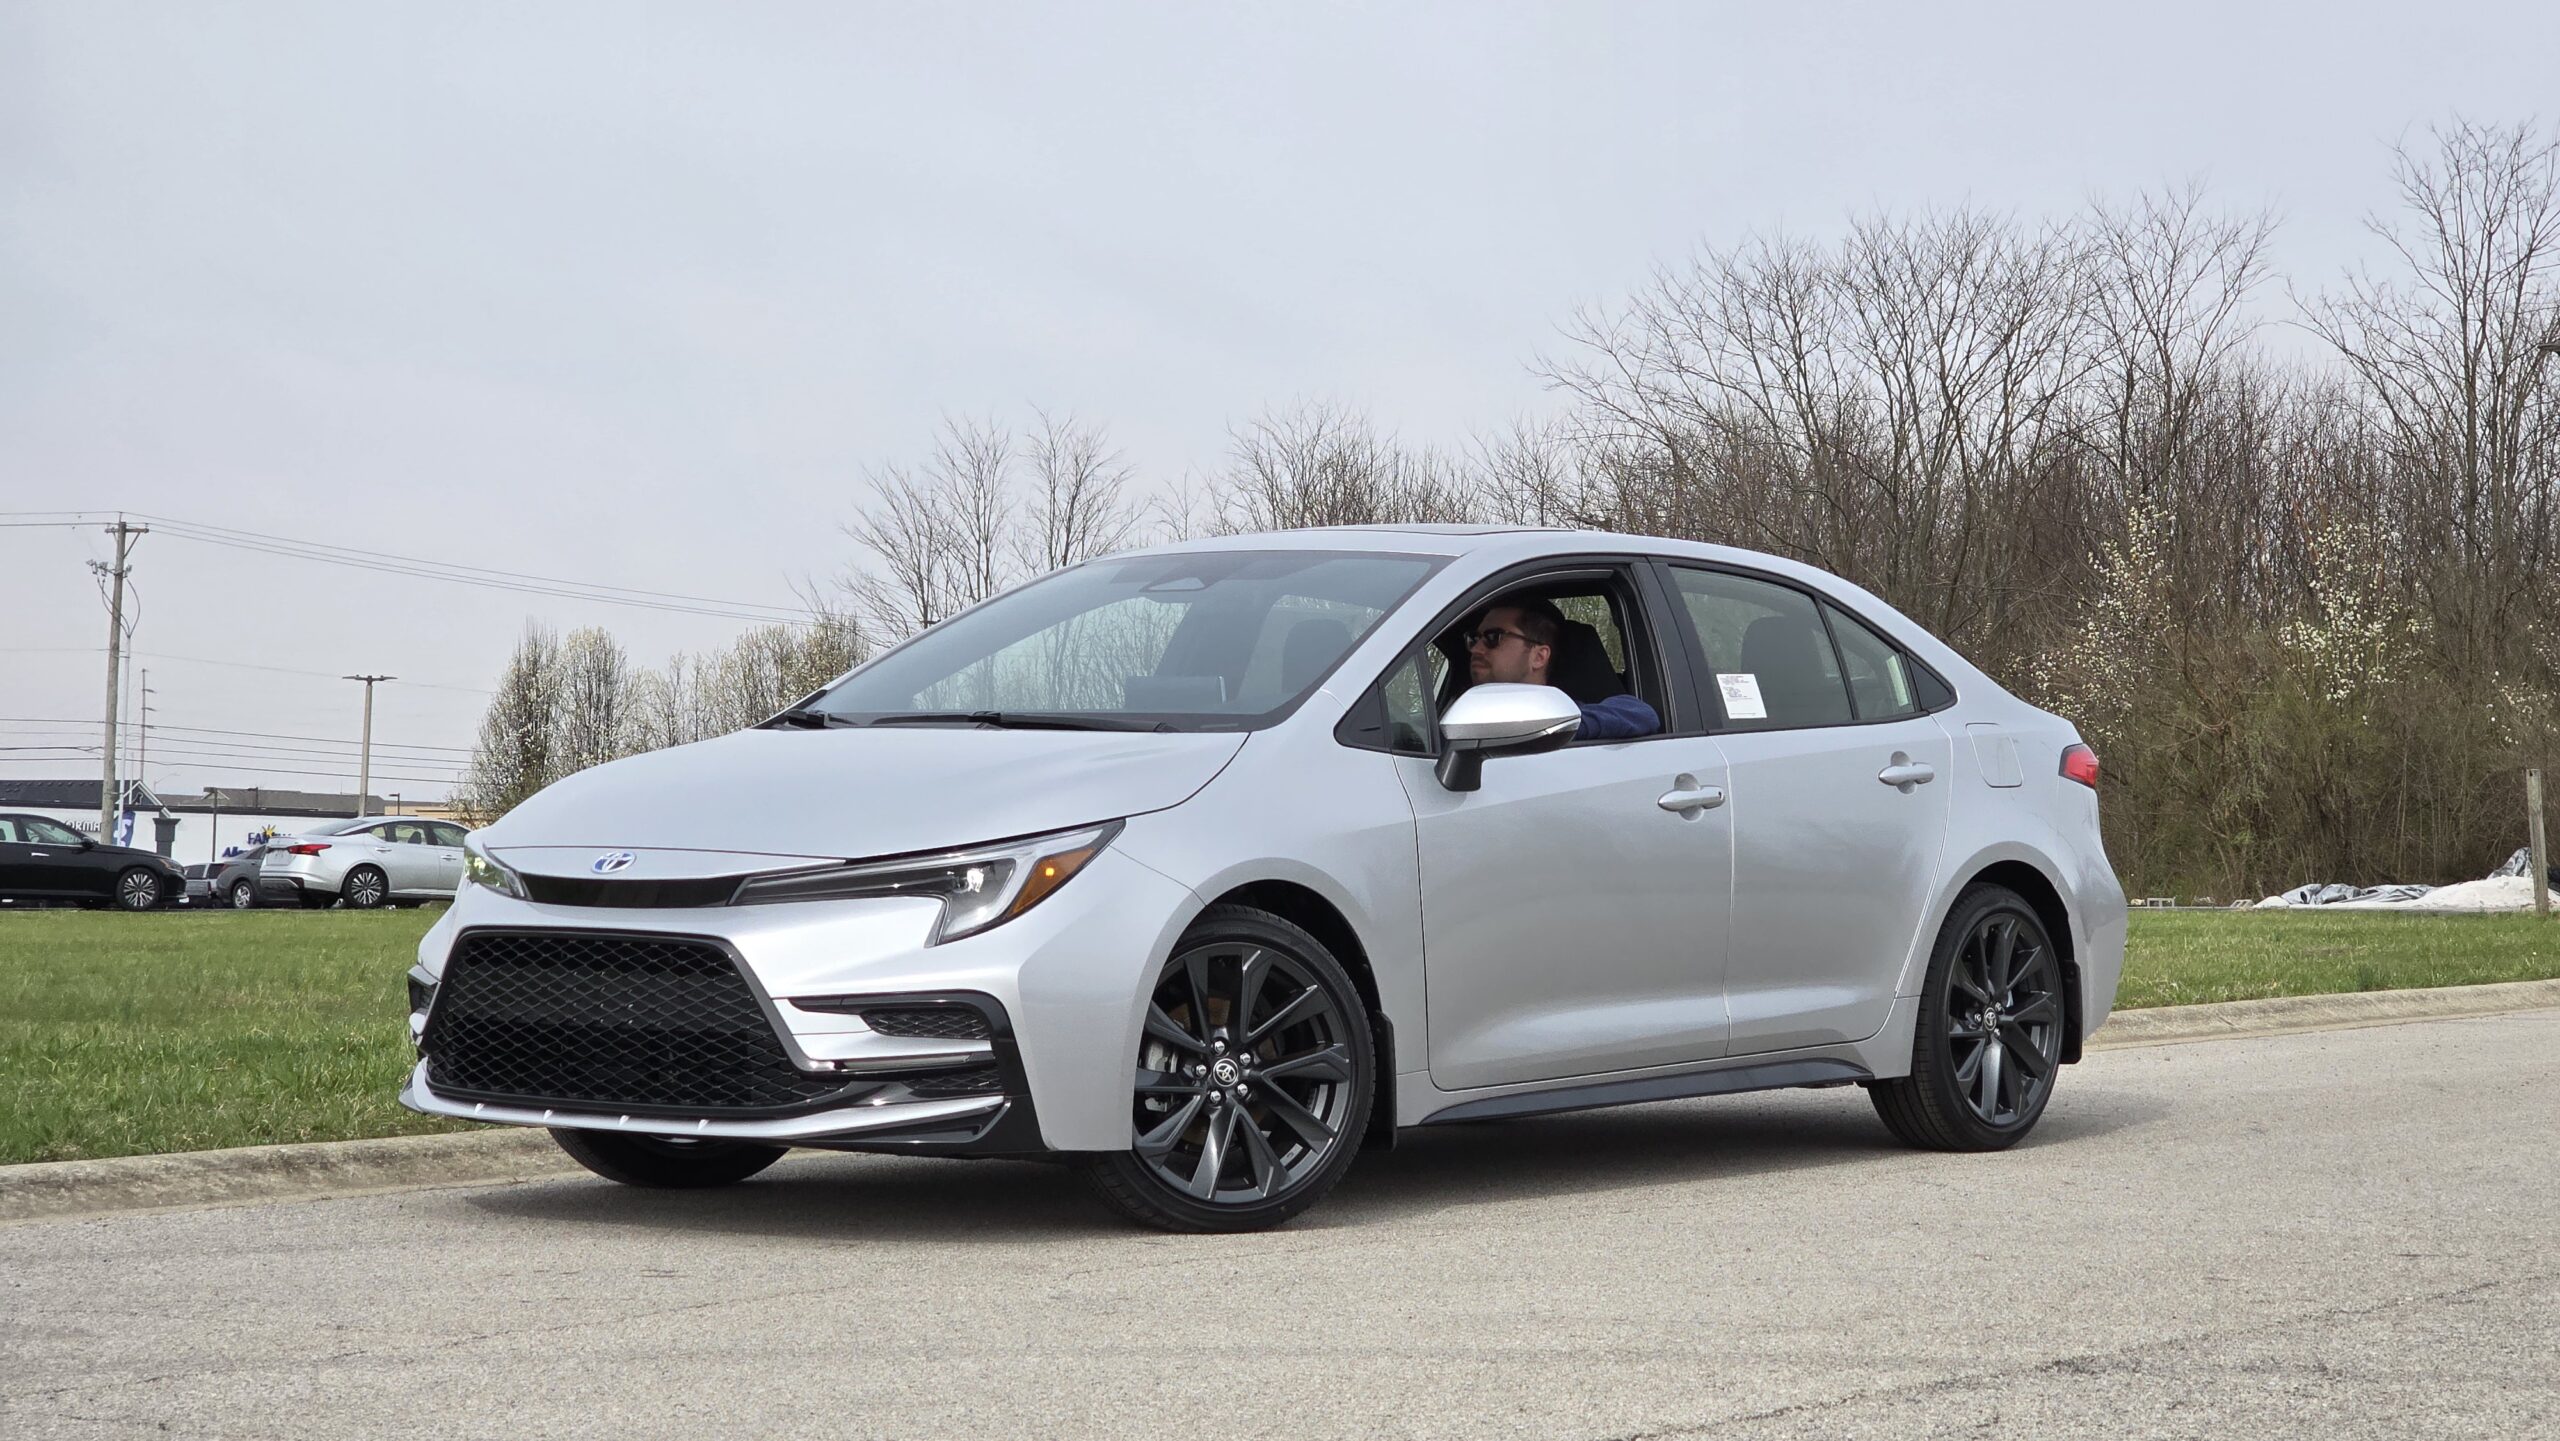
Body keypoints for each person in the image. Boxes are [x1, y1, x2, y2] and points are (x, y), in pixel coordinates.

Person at [1463, 599, 1661, 740]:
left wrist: (1550, 726)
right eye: (1475, 638)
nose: (1476, 648)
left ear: (1539, 657)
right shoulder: (1459, 712)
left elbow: (1642, 714)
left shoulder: (1563, 712)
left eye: (1493, 637)